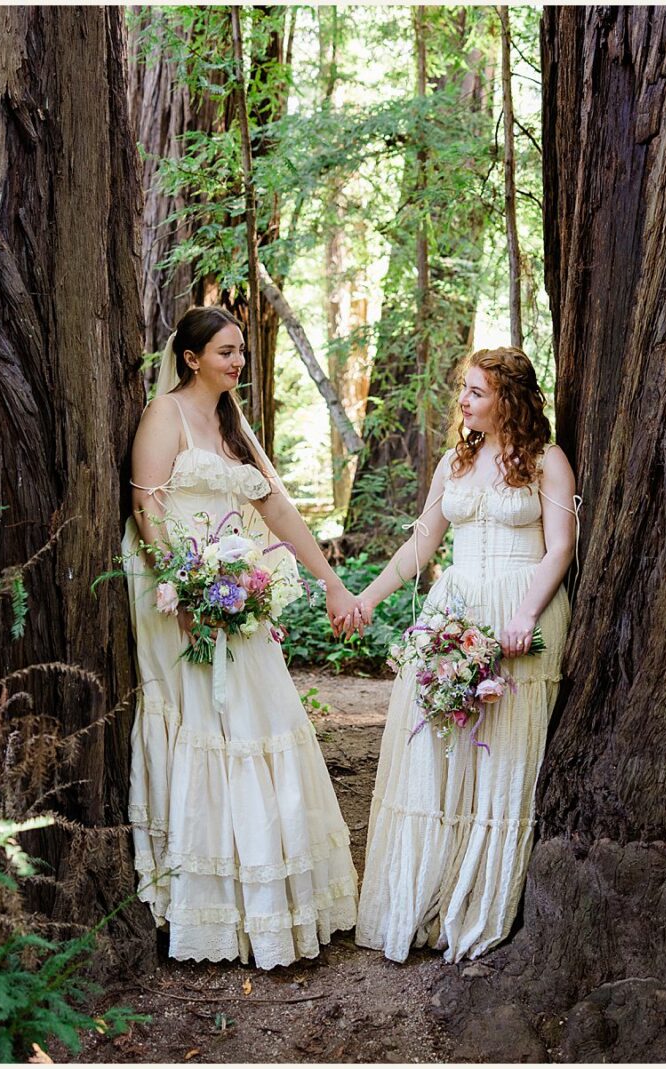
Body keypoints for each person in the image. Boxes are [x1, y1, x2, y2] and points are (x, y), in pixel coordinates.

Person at [124, 306, 363, 968]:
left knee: (264, 723)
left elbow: (275, 507)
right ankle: (210, 900)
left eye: (239, 352)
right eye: (225, 352)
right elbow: (148, 505)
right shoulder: (166, 415)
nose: (237, 361)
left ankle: (272, 898)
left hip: (237, 593)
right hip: (182, 594)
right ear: (191, 357)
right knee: (207, 723)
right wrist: (184, 588)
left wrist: (331, 582)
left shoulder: (232, 425)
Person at [351, 346, 577, 963]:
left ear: (509, 399)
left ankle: (479, 902)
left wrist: (524, 615)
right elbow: (421, 545)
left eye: (476, 391)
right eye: (464, 390)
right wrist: (367, 599)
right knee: (439, 751)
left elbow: (560, 547)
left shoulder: (546, 461)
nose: (464, 401)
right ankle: (429, 891)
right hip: (453, 611)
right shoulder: (456, 461)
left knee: (502, 754)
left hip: (519, 609)